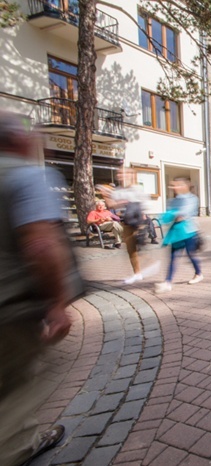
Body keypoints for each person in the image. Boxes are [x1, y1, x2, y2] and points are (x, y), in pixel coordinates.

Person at [0, 111, 72, 466]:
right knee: (16, 390)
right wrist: (57, 303)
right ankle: (19, 449)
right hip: (11, 311)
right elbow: (41, 246)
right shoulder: (28, 176)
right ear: (18, 139)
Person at [99, 168, 154, 284]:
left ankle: (147, 265)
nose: (121, 175)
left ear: (130, 175)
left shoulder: (137, 189)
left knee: (138, 246)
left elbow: (145, 204)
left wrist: (143, 221)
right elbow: (111, 205)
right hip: (126, 222)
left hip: (138, 222)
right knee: (131, 250)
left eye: (125, 173)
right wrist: (106, 196)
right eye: (120, 174)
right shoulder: (117, 191)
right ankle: (138, 273)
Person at [155, 178, 203, 293]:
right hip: (177, 232)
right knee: (173, 257)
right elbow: (171, 215)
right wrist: (172, 215)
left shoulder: (192, 198)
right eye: (172, 186)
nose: (173, 188)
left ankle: (198, 273)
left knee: (191, 254)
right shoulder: (174, 200)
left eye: (176, 185)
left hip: (189, 231)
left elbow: (184, 213)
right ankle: (168, 282)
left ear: (184, 186)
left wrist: (174, 214)